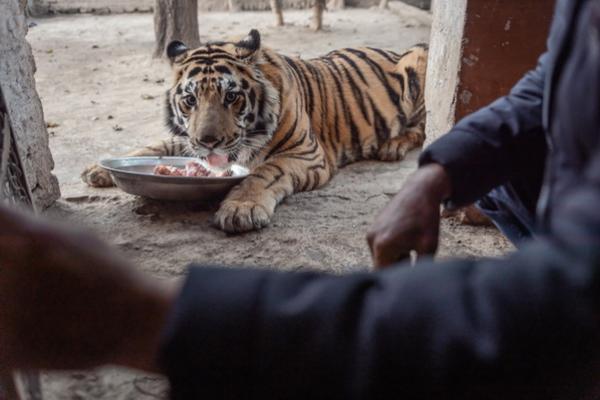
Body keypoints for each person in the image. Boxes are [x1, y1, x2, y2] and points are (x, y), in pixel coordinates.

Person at [1, 0, 599, 398]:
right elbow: (552, 78)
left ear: (256, 89)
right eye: (192, 108)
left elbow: (563, 309)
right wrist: (437, 169)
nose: (209, 129)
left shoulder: (283, 97)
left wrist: (153, 321)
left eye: (232, 103)